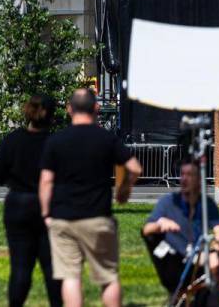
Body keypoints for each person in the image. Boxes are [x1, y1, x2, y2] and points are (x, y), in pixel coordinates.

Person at [39, 88, 142, 307]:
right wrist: (123, 190)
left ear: (69, 109)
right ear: (96, 108)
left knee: (70, 277)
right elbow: (134, 168)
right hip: (98, 216)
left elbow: (46, 181)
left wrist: (46, 213)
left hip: (63, 217)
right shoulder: (106, 139)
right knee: (108, 277)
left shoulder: (56, 141)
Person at [0, 95, 62, 307]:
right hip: (48, 205)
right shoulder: (55, 143)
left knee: (21, 266)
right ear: (51, 117)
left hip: (18, 203)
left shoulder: (12, 140)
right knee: (51, 267)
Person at [142, 160, 219, 297]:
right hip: (177, 258)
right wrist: (160, 224)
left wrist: (214, 249)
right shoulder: (168, 202)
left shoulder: (206, 203)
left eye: (190, 175)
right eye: (182, 174)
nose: (184, 179)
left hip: (201, 253)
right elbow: (147, 229)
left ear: (199, 180)